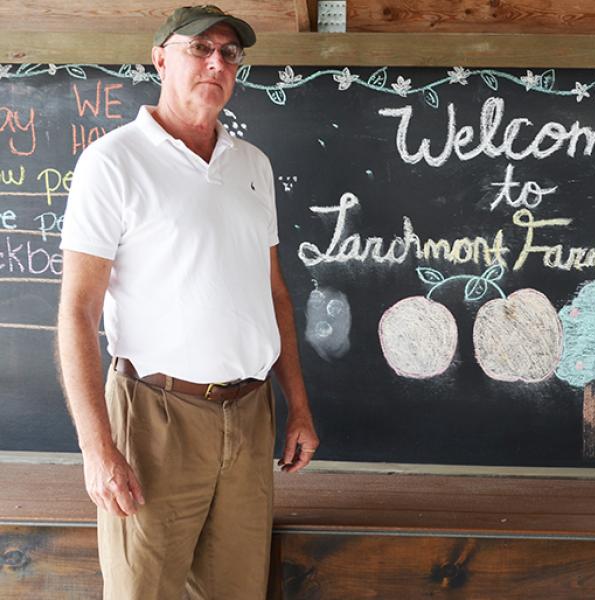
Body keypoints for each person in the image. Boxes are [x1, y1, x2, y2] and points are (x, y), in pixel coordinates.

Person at [56, 6, 319, 599]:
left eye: (229, 53)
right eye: (199, 49)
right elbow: (77, 311)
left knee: (237, 592)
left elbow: (274, 292)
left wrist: (298, 407)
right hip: (155, 416)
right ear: (160, 59)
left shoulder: (253, 165)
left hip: (249, 415)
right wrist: (97, 449)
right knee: (142, 591)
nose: (215, 63)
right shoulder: (113, 161)